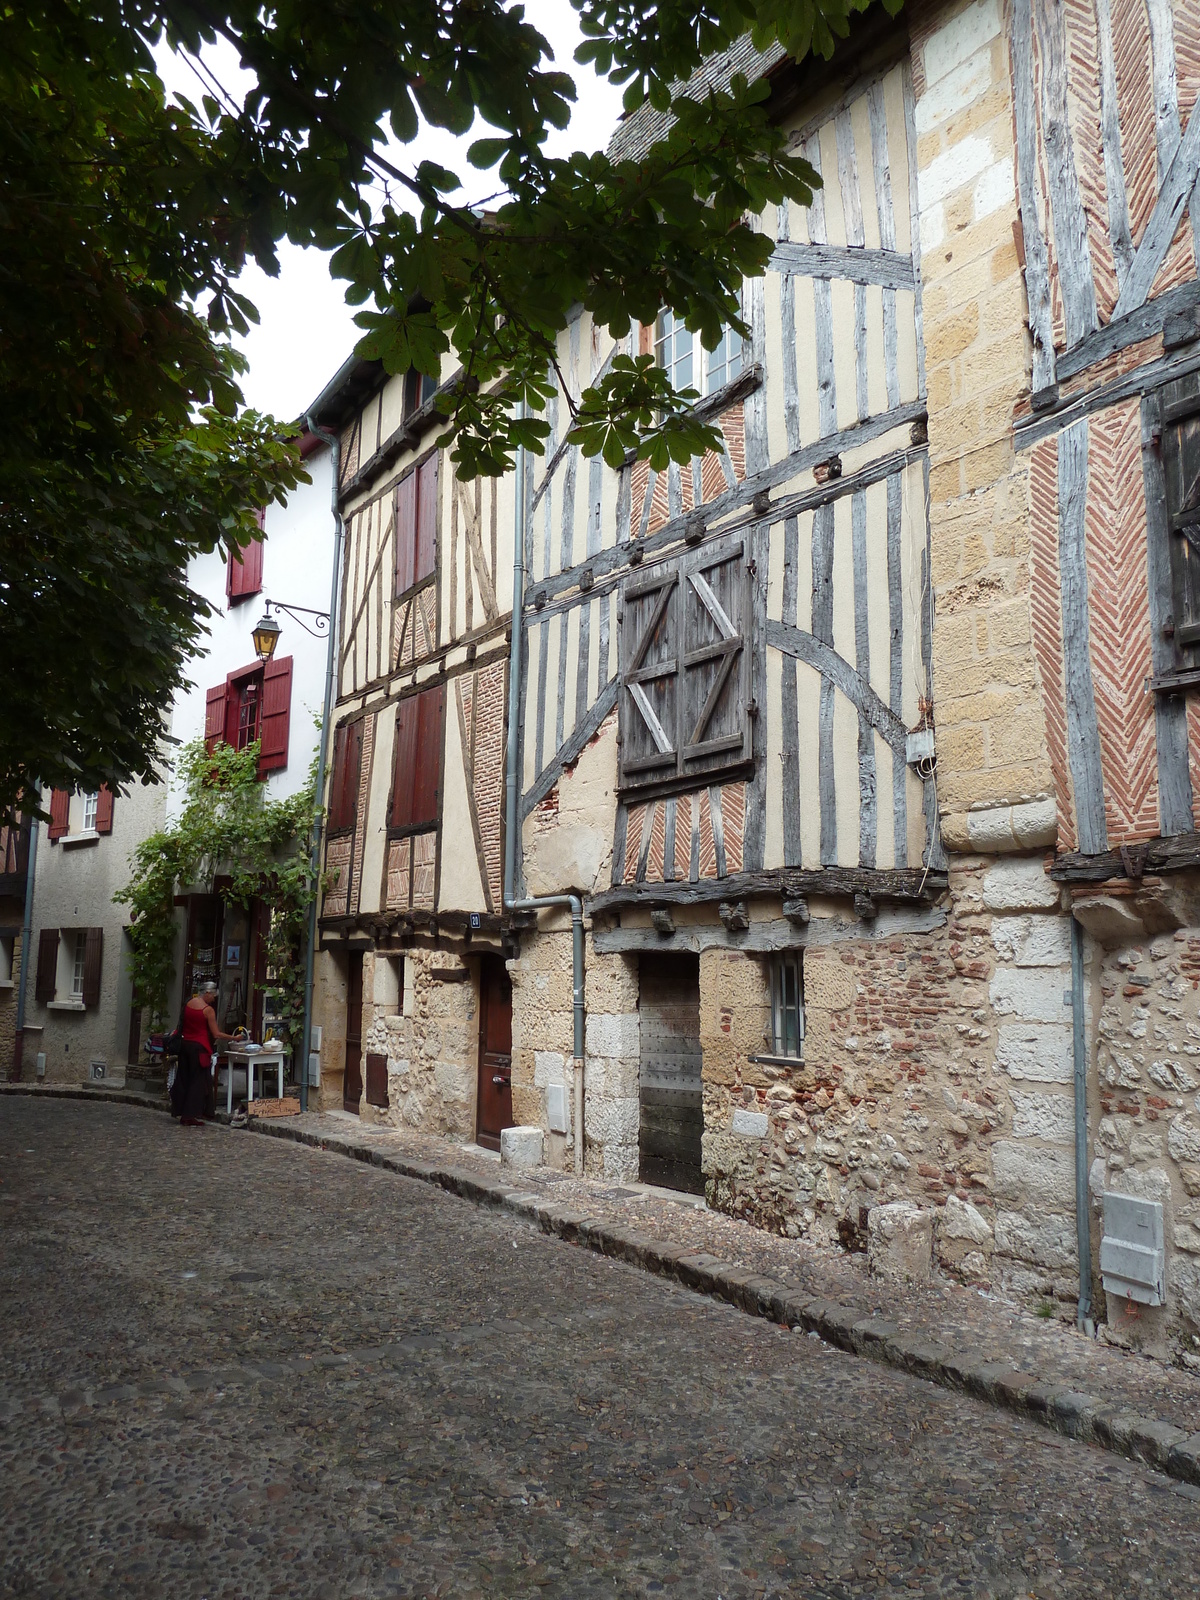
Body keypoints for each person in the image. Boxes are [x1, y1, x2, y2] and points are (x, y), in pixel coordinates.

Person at [177, 981, 234, 1126]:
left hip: (185, 1046)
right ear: (207, 993)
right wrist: (234, 1038)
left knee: (185, 1078)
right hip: (199, 1048)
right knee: (198, 1082)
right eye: (213, 995)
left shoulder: (189, 1003)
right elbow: (216, 1033)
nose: (214, 999)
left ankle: (184, 1112)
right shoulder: (208, 1010)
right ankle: (191, 1114)